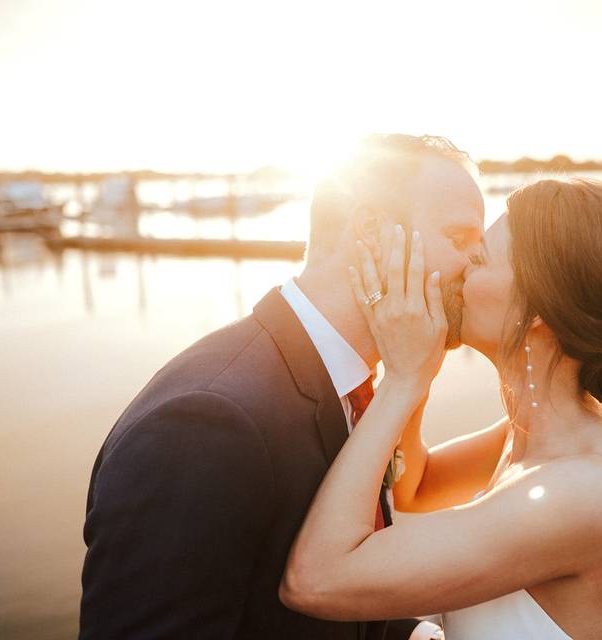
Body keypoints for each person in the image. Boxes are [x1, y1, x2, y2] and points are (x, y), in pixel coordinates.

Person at [79, 134, 484, 639]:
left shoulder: (350, 385)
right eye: (461, 238)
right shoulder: (203, 424)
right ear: (374, 232)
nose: (476, 266)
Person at [280, 178, 602, 639]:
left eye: (480, 259)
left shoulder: (584, 490)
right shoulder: (533, 435)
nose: (458, 271)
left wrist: (403, 383)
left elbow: (315, 580)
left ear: (536, 314)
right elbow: (416, 486)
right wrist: (418, 368)